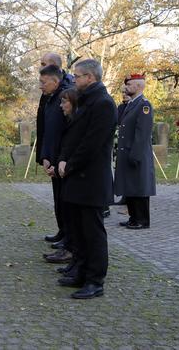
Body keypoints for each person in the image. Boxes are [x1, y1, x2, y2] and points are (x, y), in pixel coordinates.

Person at [57, 59, 115, 299]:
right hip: (77, 176)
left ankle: (95, 280)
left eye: (77, 76)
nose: (74, 80)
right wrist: (63, 159)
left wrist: (69, 164)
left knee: (92, 232)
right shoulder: (87, 100)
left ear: (90, 77)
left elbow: (92, 142)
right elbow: (73, 135)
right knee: (79, 229)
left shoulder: (103, 103)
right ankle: (81, 270)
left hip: (90, 178)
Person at [37, 64, 73, 263]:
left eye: (43, 82)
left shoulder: (66, 98)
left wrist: (58, 160)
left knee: (65, 203)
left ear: (55, 81)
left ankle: (68, 242)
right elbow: (47, 132)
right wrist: (45, 156)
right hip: (53, 160)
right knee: (59, 201)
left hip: (62, 162)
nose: (40, 86)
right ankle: (63, 235)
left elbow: (65, 134)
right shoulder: (51, 99)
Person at [113, 74, 156, 229]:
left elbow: (142, 133)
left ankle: (142, 220)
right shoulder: (131, 104)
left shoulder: (144, 105)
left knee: (139, 187)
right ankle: (133, 217)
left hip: (136, 153)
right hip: (127, 152)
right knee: (130, 186)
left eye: (129, 84)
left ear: (138, 86)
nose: (126, 87)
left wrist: (136, 154)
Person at [49, 88, 81, 277]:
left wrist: (65, 165)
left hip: (77, 176)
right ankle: (72, 255)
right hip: (64, 170)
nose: (61, 106)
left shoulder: (78, 121)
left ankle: (75, 257)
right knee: (67, 214)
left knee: (78, 222)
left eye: (64, 102)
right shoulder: (71, 120)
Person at [111, 85, 131, 207]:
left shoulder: (135, 106)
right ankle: (123, 194)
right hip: (118, 141)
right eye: (122, 92)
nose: (124, 94)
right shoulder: (120, 107)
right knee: (120, 169)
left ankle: (129, 196)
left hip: (127, 143)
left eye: (126, 92)